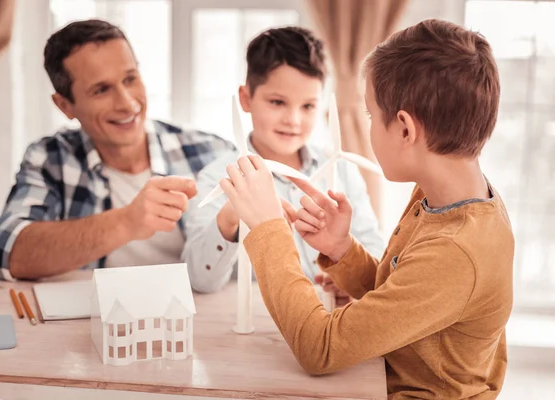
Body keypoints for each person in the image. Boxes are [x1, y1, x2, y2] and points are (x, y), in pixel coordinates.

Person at [217, 19, 513, 399]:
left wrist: (267, 228)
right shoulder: (449, 195)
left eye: (371, 116)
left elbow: (319, 349)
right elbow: (409, 296)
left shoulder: (459, 248)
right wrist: (343, 251)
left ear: (405, 129)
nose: (368, 127)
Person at [0, 19, 233, 281]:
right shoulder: (51, 158)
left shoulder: (211, 152)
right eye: (101, 90)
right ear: (64, 106)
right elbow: (6, 253)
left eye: (130, 79)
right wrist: (126, 222)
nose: (127, 104)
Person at [182, 26, 383, 295]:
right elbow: (199, 280)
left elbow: (373, 247)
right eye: (278, 102)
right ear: (246, 98)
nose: (293, 120)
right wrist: (229, 218)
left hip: (330, 319)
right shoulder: (219, 177)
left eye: (308, 106)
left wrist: (352, 274)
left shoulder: (341, 168)